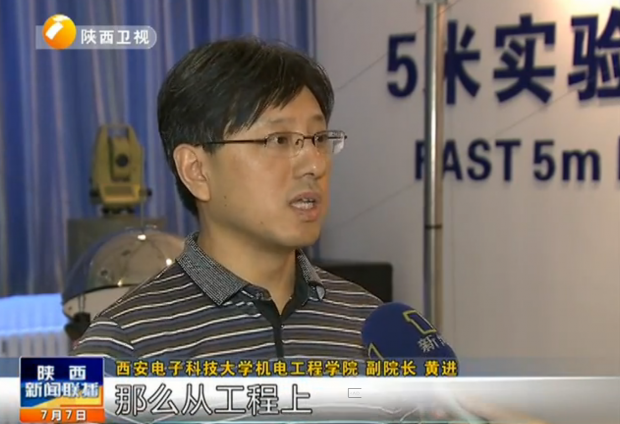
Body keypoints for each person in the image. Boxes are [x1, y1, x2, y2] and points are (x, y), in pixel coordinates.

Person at [72, 37, 382, 360]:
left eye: (318, 139)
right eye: (279, 140)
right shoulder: (122, 345)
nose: (315, 165)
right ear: (196, 170)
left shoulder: (372, 329)